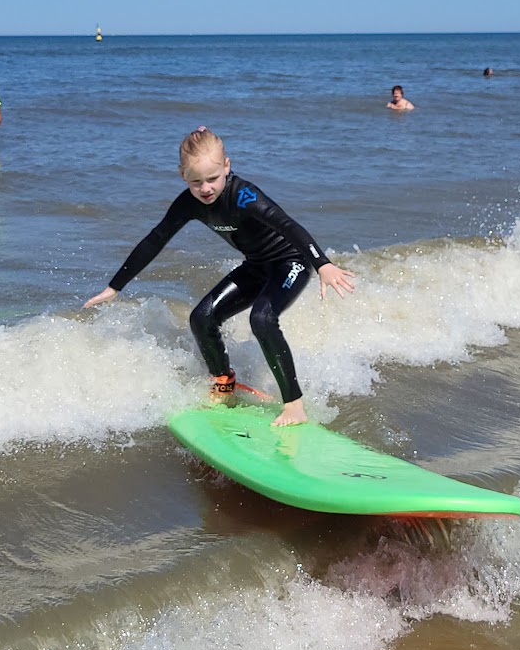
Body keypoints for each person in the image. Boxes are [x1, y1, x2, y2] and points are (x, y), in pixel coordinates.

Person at [83, 127, 354, 427]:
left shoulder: (244, 196)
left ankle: (294, 405)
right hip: (257, 265)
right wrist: (114, 287)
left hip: (291, 263)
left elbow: (288, 225)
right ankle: (224, 384)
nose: (205, 189)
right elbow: (154, 240)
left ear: (227, 166)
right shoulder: (188, 204)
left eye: (212, 178)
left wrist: (322, 265)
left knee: (262, 319)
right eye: (195, 181)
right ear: (182, 175)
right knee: (202, 318)